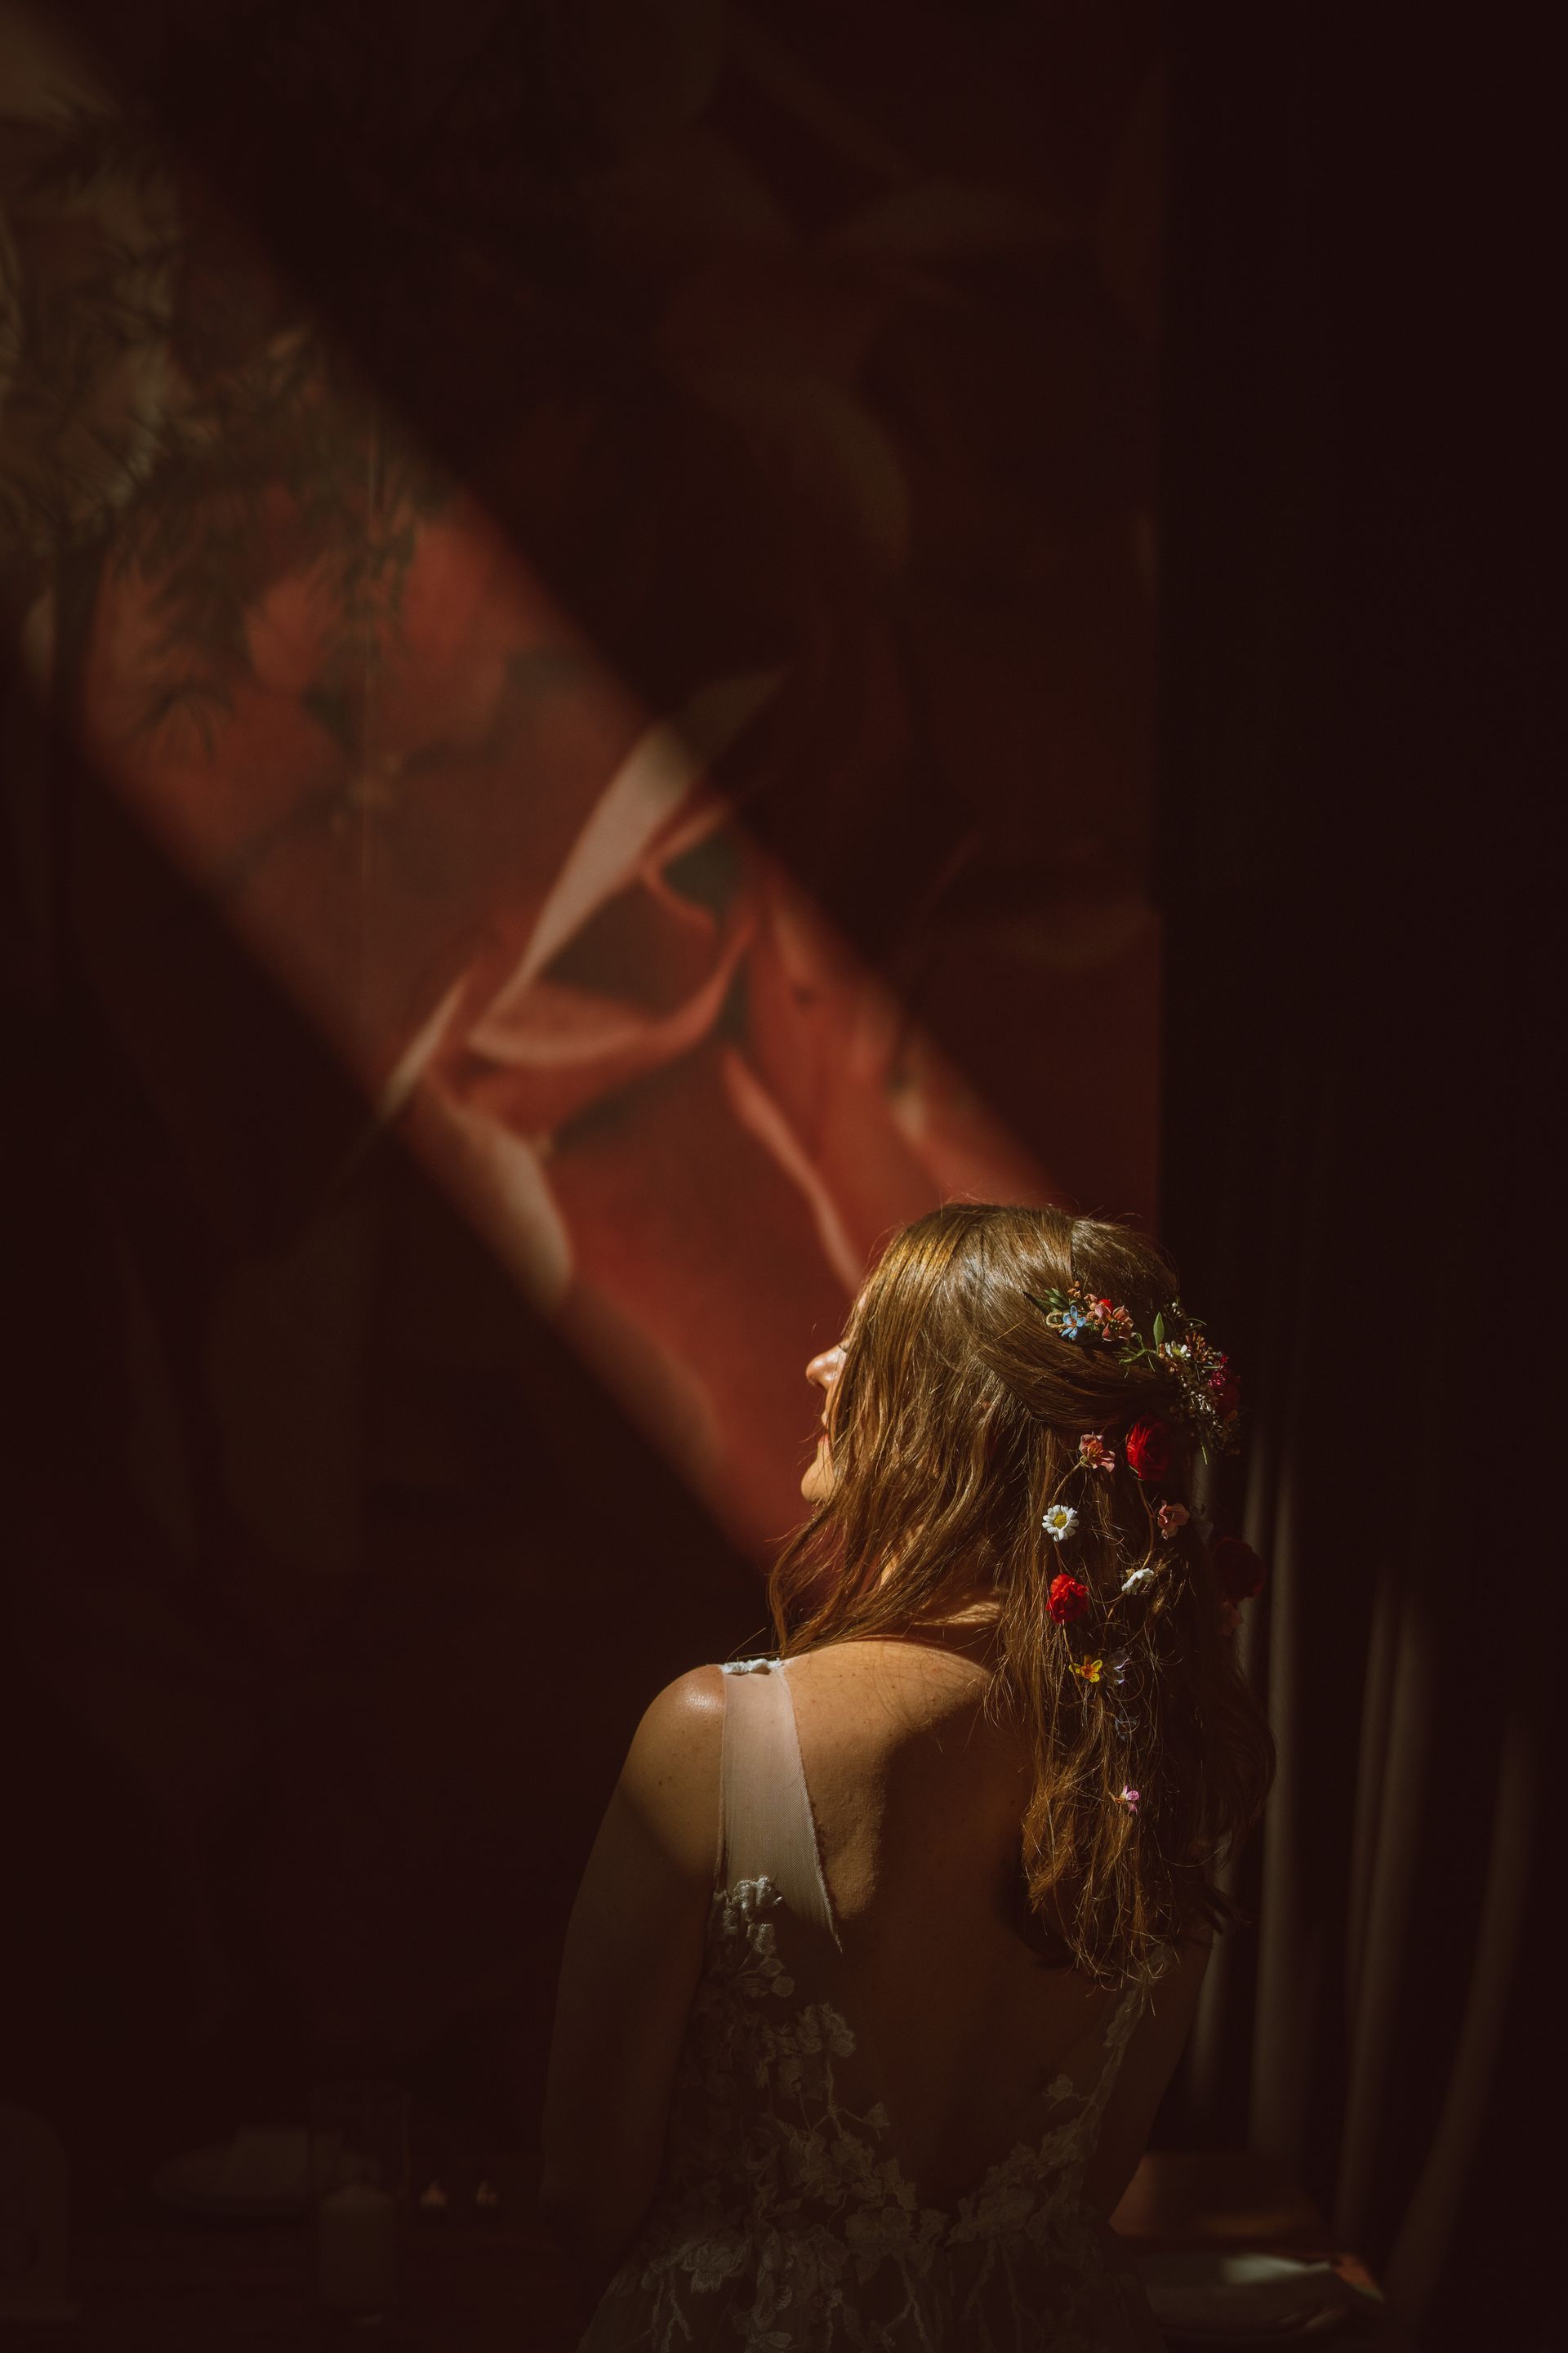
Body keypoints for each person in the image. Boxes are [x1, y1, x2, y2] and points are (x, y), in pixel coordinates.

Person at [540, 1202, 1275, 2348]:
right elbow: (1089, 2186)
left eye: (866, 1340)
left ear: (957, 1420)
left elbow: (585, 2197)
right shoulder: (1151, 1765)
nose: (820, 1367)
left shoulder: (713, 1739)